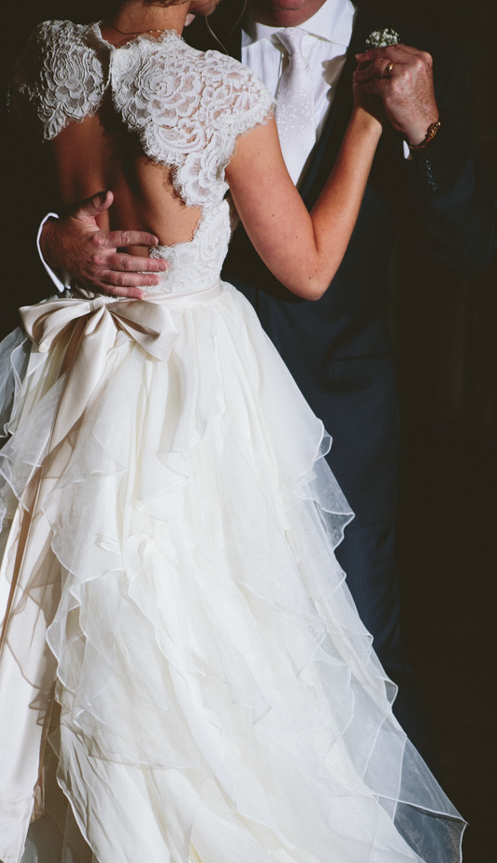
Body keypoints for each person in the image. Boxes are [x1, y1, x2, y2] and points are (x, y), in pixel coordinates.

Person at [0, 2, 496, 863]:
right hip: (196, 396)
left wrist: (55, 241)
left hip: (87, 390)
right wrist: (364, 130)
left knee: (88, 666)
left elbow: (79, 205)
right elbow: (308, 266)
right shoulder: (219, 88)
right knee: (229, 668)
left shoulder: (59, 56)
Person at [37, 0, 497, 764]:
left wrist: (426, 130)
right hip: (182, 418)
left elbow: (472, 246)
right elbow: (78, 187)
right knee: (200, 657)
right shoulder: (200, 41)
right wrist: (54, 239)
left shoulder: (422, 44)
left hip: (336, 408)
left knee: (361, 660)